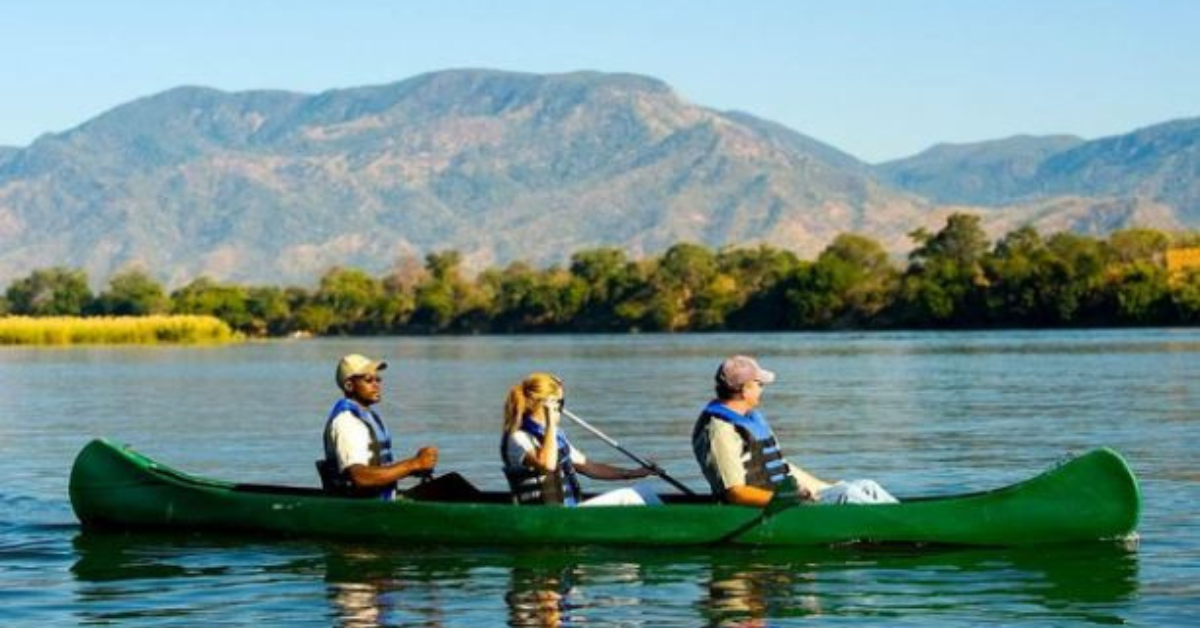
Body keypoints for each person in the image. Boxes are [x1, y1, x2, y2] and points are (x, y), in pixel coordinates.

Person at [692, 355, 897, 508]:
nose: (763, 389)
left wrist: (823, 487)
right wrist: (787, 498)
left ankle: (905, 517)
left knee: (865, 486)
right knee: (847, 494)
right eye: (759, 384)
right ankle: (902, 527)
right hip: (766, 508)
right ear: (745, 389)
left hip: (784, 498)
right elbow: (735, 493)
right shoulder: (720, 430)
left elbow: (781, 469)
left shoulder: (749, 418)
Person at [501, 372, 662, 507]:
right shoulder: (518, 438)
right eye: (560, 402)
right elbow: (548, 465)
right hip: (548, 516)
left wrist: (634, 473)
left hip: (570, 510)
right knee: (629, 497)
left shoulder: (554, 435)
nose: (562, 408)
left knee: (643, 492)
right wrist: (550, 422)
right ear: (545, 404)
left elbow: (589, 467)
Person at [318, 354, 438, 500]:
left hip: (381, 502)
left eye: (378, 379)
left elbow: (377, 468)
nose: (376, 385)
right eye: (368, 380)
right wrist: (414, 464)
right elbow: (360, 477)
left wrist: (416, 468)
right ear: (349, 385)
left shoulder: (369, 416)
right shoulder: (347, 422)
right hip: (359, 509)